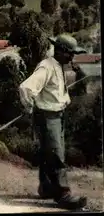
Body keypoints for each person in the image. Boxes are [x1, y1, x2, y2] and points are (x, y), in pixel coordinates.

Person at [18, 34, 88, 210]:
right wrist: (29, 106)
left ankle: (47, 187)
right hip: (48, 116)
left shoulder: (58, 65)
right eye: (70, 53)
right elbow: (26, 87)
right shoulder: (46, 67)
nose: (72, 57)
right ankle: (63, 194)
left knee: (47, 152)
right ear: (60, 50)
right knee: (57, 154)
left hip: (57, 114)